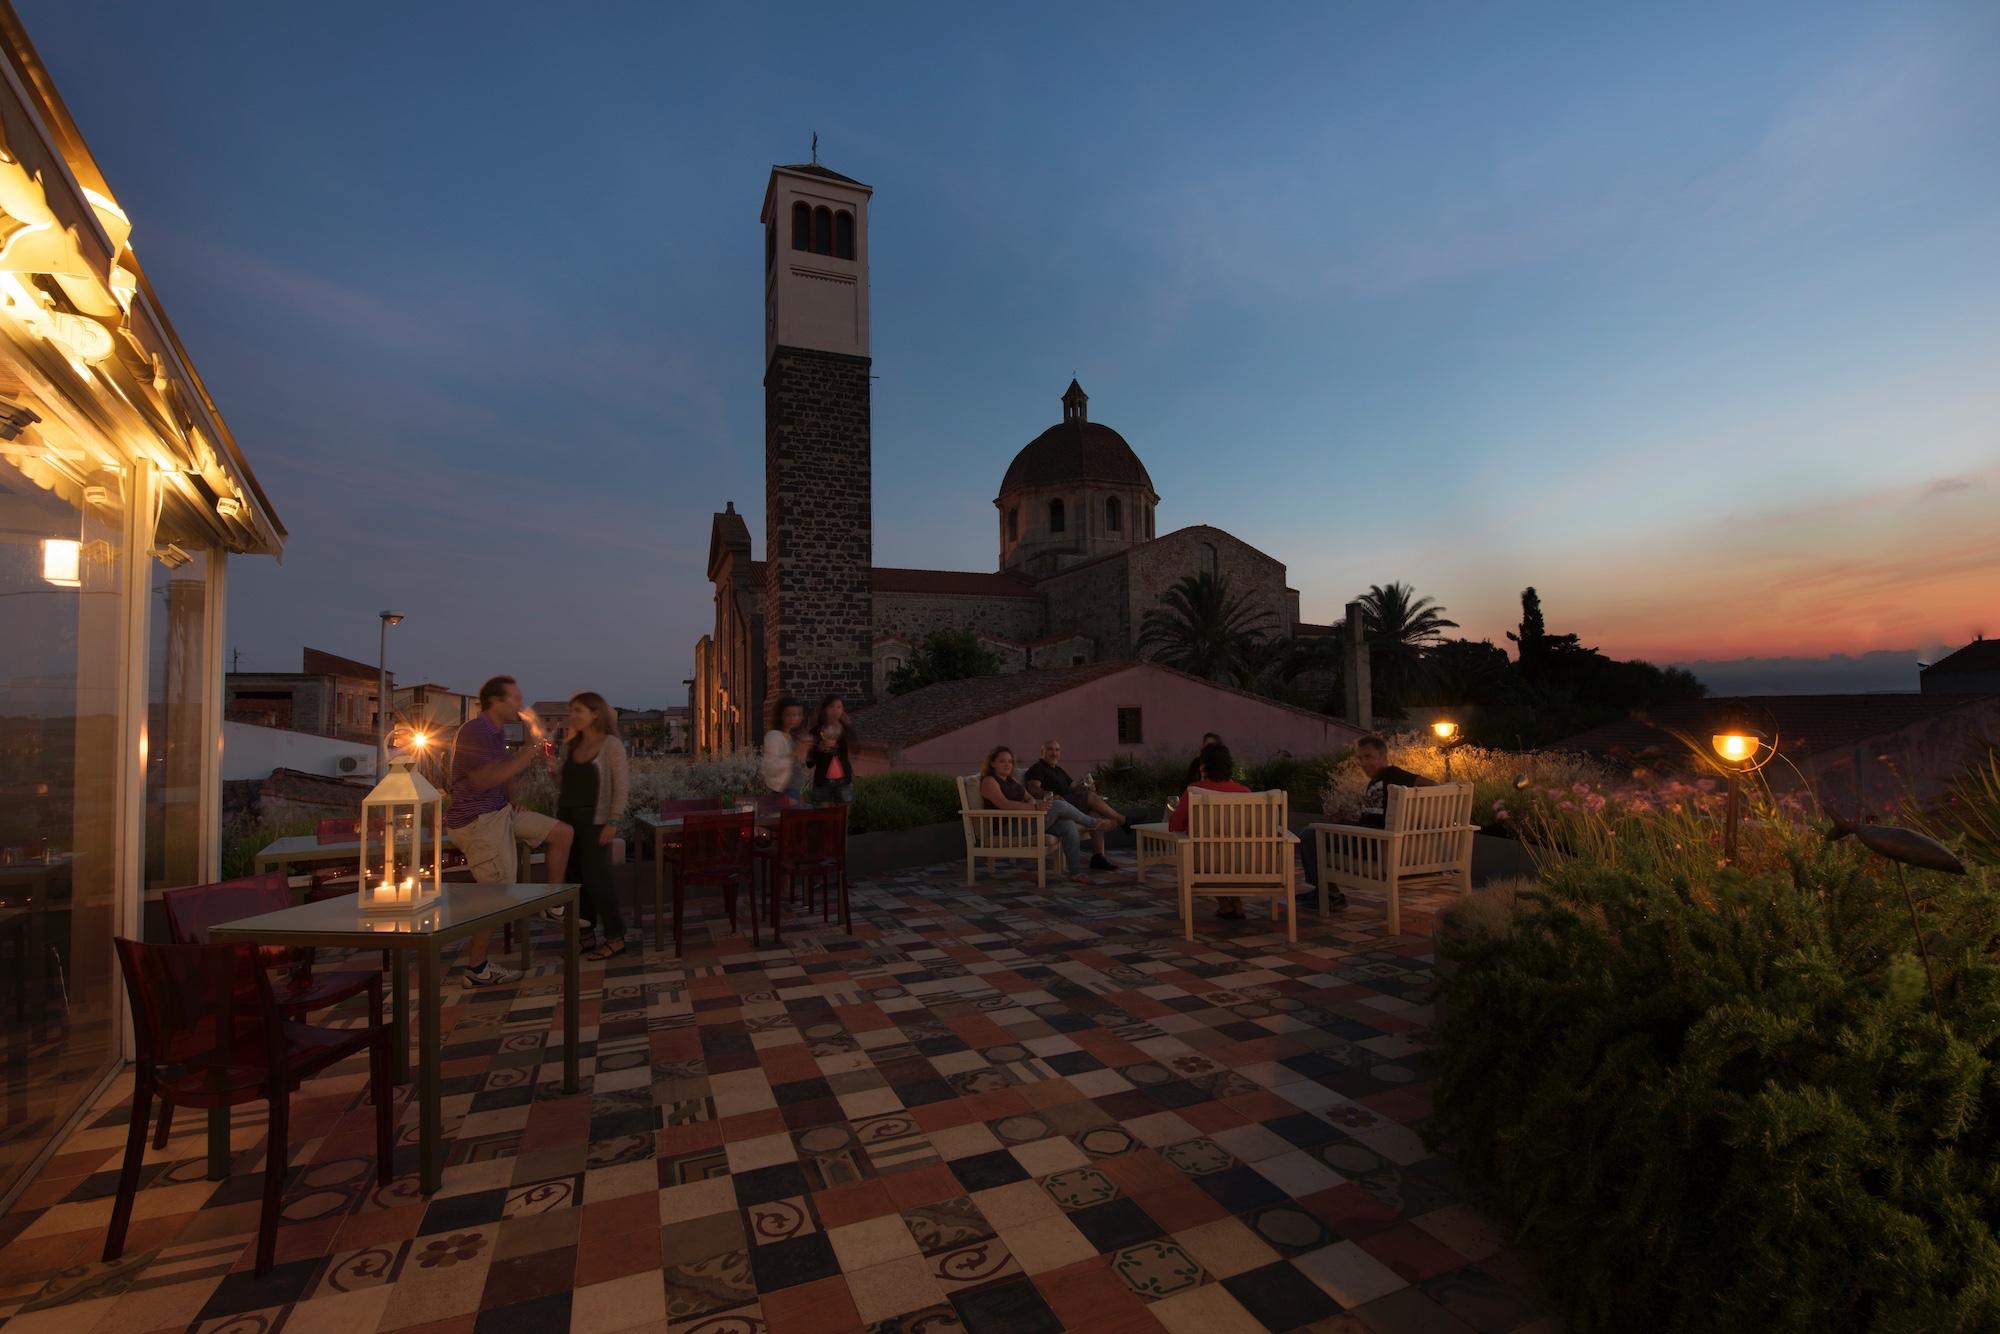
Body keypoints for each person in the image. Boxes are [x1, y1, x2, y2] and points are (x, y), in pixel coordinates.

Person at [444, 676, 574, 986]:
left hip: (501, 812)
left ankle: (552, 904)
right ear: (496, 701)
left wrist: (514, 802)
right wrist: (529, 750)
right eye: (515, 698)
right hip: (479, 821)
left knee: (562, 833)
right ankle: (476, 969)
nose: (520, 704)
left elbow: (503, 775)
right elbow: (483, 780)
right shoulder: (475, 731)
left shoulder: (496, 731)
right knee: (496, 891)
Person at [1300, 734, 1431, 911]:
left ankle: (1330, 895)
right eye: (1360, 758)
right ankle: (1327, 893)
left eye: (1368, 756)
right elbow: (1374, 816)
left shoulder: (1393, 774)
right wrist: (1344, 819)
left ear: (1383, 756)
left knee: (1311, 835)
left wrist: (1412, 813)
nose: (1363, 763)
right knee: (1319, 834)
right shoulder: (1377, 782)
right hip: (1369, 838)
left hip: (1373, 844)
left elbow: (1432, 785)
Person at [554, 692, 630, 961]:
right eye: (571, 710)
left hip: (595, 821)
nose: (573, 715)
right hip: (567, 820)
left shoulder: (611, 746)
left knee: (597, 880)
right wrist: (555, 773)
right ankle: (586, 936)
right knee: (576, 879)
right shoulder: (571, 746)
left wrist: (613, 821)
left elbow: (621, 787)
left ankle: (615, 936)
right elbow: (566, 787)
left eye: (578, 710)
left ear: (595, 714)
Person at [979, 745, 1100, 878]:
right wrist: (1035, 808)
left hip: (1026, 821)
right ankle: (1093, 823)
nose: (1007, 764)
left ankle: (1075, 873)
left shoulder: (1011, 781)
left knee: (1068, 825)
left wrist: (1032, 806)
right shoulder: (989, 781)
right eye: (1002, 761)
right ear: (992, 763)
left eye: (1010, 761)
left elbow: (1029, 797)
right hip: (1008, 828)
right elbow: (1004, 804)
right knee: (1058, 805)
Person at [1170, 741, 1253, 917]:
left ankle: (1224, 903)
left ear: (1203, 766)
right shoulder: (1245, 792)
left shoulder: (1194, 792)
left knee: (1207, 853)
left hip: (1206, 862)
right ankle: (1236, 903)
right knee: (1230, 852)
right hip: (1245, 862)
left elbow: (1175, 826)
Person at [1024, 739, 1125, 870]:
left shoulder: (1058, 770)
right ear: (1042, 752)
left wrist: (1083, 785)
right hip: (1057, 807)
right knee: (1090, 798)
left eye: (1057, 750)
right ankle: (1123, 820)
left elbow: (1072, 787)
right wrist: (1053, 797)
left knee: (1094, 811)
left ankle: (1098, 857)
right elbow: (1034, 789)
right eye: (1050, 749)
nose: (1054, 753)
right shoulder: (1038, 768)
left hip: (1070, 804)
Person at [760, 697, 811, 803]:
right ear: (781, 716)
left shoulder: (794, 736)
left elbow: (800, 766)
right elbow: (771, 766)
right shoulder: (774, 736)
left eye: (797, 715)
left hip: (796, 790)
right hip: (783, 791)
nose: (793, 719)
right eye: (789, 715)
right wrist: (794, 754)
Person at [807, 695, 855, 803]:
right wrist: (818, 748)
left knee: (843, 816)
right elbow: (809, 762)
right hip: (822, 781)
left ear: (843, 710)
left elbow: (854, 751)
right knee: (822, 817)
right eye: (832, 707)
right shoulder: (815, 732)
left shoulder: (847, 731)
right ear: (824, 709)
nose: (835, 711)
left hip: (844, 781)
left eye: (839, 707)